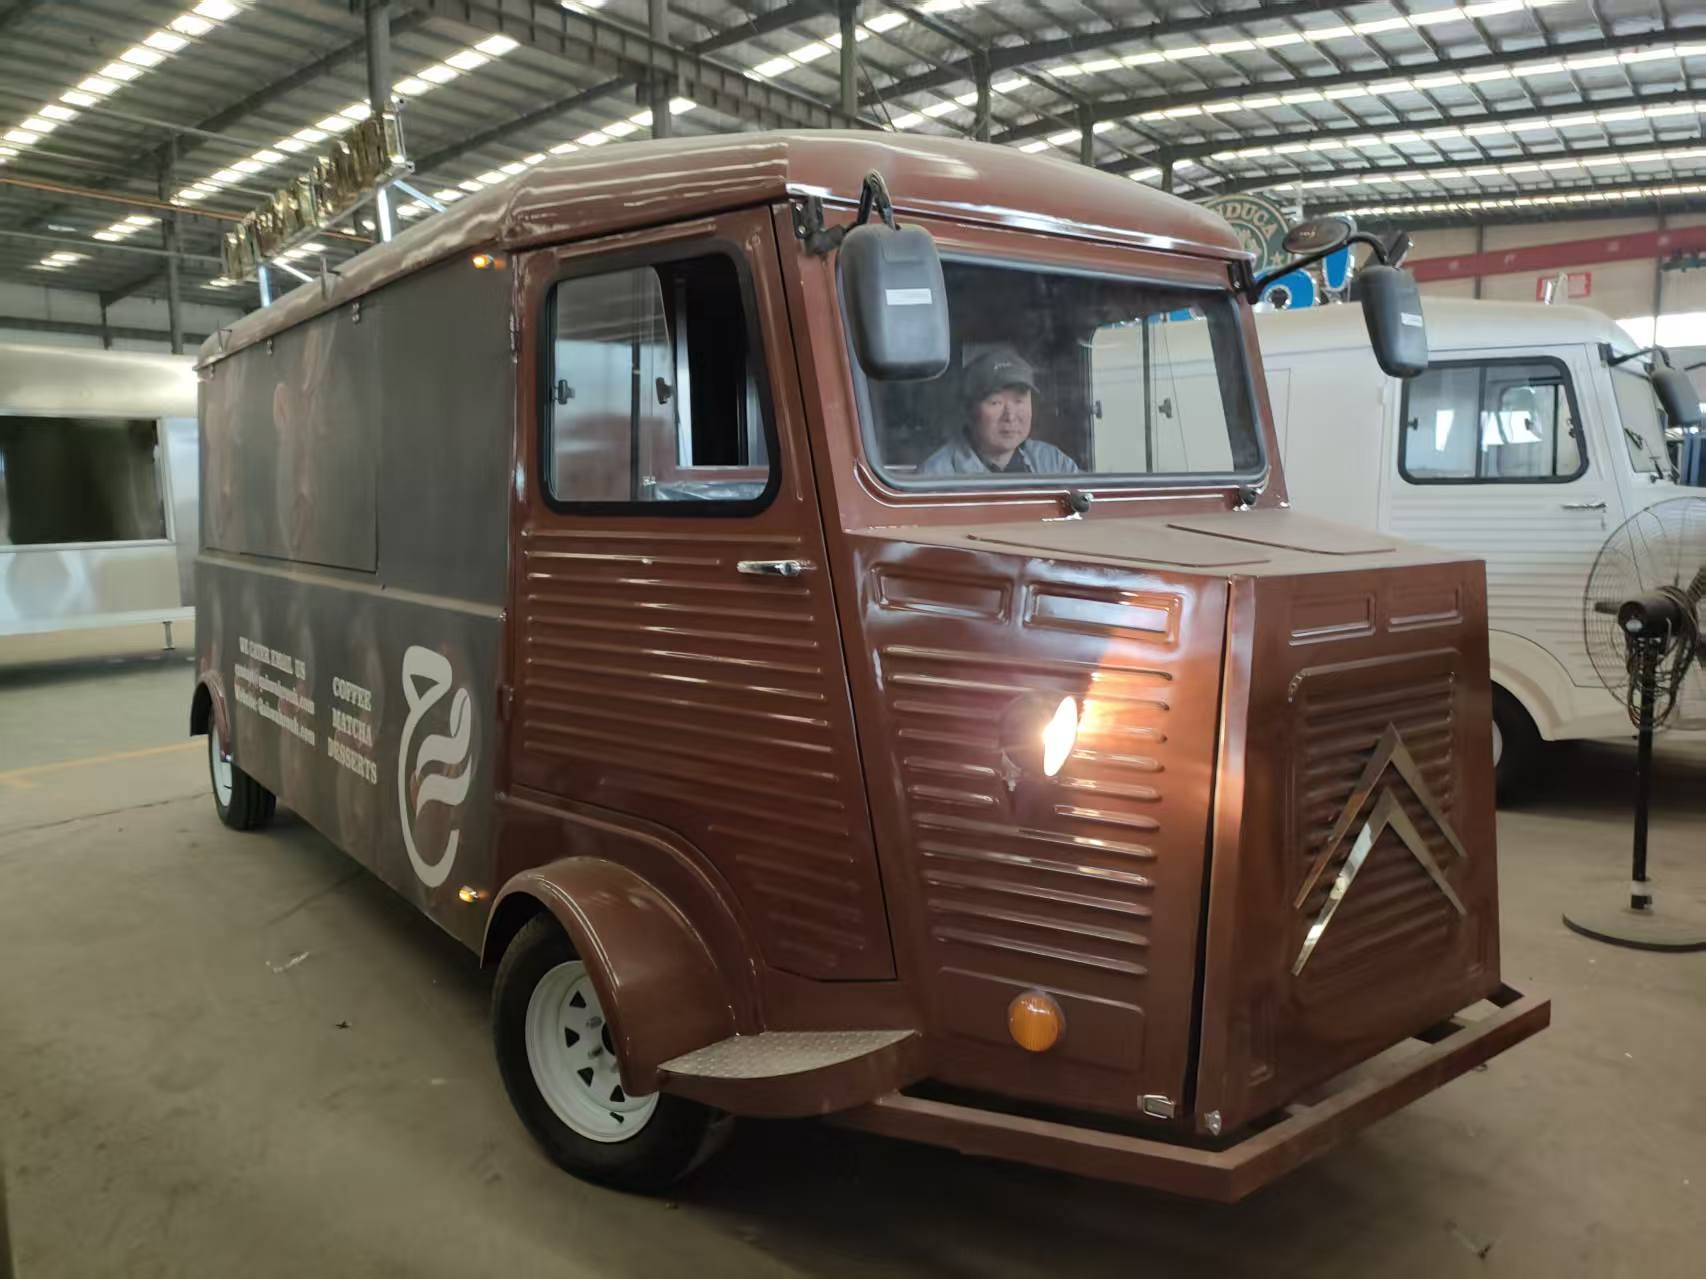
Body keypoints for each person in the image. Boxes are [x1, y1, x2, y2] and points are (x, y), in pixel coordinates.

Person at [916, 346, 1080, 476]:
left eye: (1019, 401)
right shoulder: (937, 474)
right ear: (968, 411)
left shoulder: (1054, 464)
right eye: (996, 402)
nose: (1010, 416)